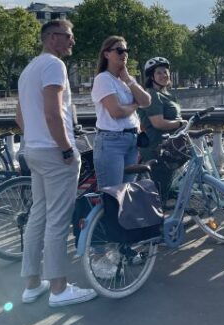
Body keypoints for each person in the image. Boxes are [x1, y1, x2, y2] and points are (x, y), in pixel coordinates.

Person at [15, 19, 97, 307]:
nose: (72, 41)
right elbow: (53, 113)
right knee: (58, 220)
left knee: (38, 215)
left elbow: (20, 116)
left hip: (33, 150)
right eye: (69, 36)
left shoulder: (28, 69)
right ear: (52, 38)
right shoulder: (54, 65)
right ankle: (59, 288)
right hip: (53, 152)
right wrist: (65, 149)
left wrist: (35, 139)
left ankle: (32, 284)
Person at [90, 36, 151, 189]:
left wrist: (128, 80)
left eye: (126, 50)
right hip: (111, 142)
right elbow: (116, 112)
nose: (124, 54)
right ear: (106, 54)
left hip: (132, 140)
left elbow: (147, 101)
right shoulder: (103, 79)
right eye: (119, 50)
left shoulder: (127, 79)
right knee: (112, 193)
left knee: (126, 193)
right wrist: (134, 105)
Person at [137, 57, 187, 202]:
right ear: (152, 76)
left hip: (169, 147)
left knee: (166, 188)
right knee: (160, 190)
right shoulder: (152, 94)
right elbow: (158, 123)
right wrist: (179, 124)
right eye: (159, 73)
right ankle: (157, 221)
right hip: (156, 147)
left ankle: (165, 218)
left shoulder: (169, 95)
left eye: (166, 72)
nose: (164, 75)